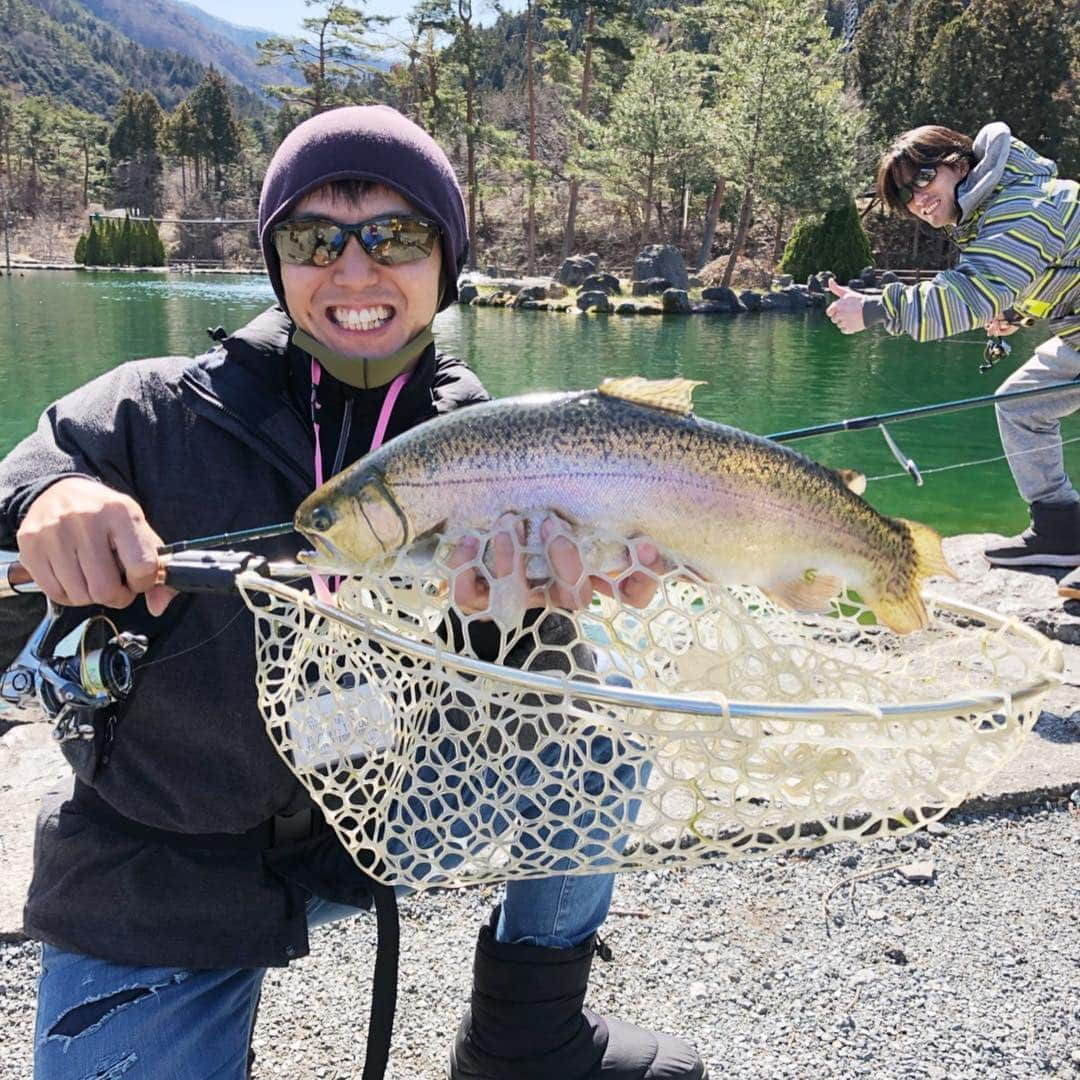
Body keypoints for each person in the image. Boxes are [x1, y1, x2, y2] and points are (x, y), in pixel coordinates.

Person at [0, 106, 706, 1079]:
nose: (357, 269)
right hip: (160, 863)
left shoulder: (477, 427)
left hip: (384, 810)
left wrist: (545, 602)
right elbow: (35, 467)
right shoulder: (151, 406)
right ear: (276, 261)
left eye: (399, 236)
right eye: (315, 237)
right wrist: (54, 498)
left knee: (594, 709)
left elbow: (496, 649)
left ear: (446, 264)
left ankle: (530, 1031)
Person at [825, 122, 1080, 583]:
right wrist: (1016, 314)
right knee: (1021, 404)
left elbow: (967, 295)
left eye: (922, 178)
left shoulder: (1023, 208)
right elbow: (1048, 273)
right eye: (905, 196)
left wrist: (875, 310)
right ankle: (1062, 532)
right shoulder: (995, 208)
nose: (918, 200)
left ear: (958, 164)